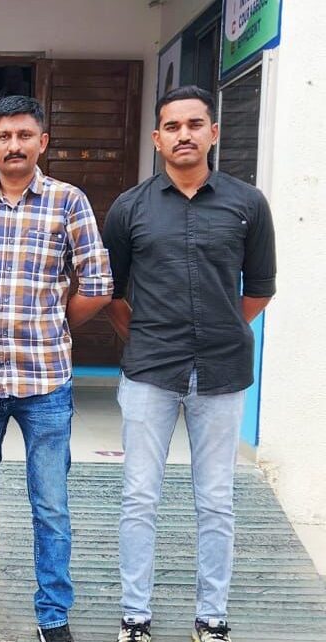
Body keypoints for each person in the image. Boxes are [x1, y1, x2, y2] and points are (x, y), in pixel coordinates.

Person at [0, 95, 113, 642]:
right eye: (4, 137)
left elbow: (98, 284)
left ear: (42, 142)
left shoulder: (68, 201)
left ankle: (53, 615)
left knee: (51, 506)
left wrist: (49, 323)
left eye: (25, 135)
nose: (15, 145)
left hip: (46, 382)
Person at [102, 85, 276, 642]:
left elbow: (260, 288)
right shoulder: (129, 208)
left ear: (213, 133)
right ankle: (135, 616)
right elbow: (111, 292)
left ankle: (212, 617)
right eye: (173, 127)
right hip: (150, 371)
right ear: (157, 139)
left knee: (217, 500)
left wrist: (221, 327)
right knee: (139, 497)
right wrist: (148, 336)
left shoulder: (248, 204)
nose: (184, 135)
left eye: (195, 124)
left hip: (222, 373)